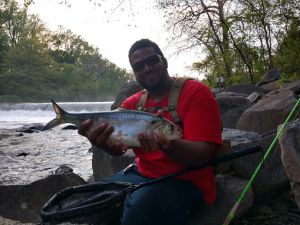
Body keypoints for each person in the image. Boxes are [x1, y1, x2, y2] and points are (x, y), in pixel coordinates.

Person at [78, 39, 222, 225]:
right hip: (141, 175)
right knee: (88, 199)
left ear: (164, 61)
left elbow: (203, 154)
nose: (147, 68)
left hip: (188, 182)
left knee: (138, 208)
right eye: (139, 66)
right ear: (135, 74)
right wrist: (105, 145)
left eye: (152, 60)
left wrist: (169, 144)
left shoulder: (196, 93)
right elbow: (119, 148)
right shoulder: (132, 104)